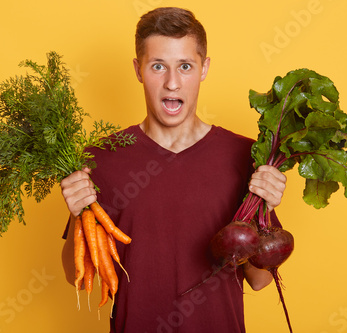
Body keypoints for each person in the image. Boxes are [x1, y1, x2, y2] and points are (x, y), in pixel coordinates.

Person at [60, 7, 287, 332]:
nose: (172, 83)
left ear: (204, 68)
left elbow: (260, 280)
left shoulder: (245, 156)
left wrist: (268, 212)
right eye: (158, 67)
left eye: (185, 66)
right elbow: (75, 276)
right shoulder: (101, 158)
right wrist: (75, 212)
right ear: (139, 70)